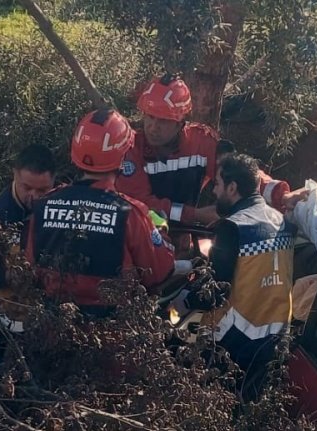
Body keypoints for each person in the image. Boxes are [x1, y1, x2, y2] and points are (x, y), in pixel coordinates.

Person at [22, 109, 175, 315]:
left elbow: (29, 272)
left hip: (51, 331)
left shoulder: (43, 206)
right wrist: (160, 230)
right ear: (123, 155)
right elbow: (158, 274)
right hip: (113, 335)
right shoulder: (130, 214)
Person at [116, 74, 295, 234]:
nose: (153, 127)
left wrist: (281, 195)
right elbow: (140, 203)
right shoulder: (131, 148)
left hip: (185, 243)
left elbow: (239, 173)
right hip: (144, 243)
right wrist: (196, 214)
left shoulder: (200, 142)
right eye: (150, 117)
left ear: (180, 123)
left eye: (163, 121)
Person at [196, 153, 295, 401]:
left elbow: (215, 292)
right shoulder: (282, 220)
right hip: (275, 337)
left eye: (217, 185)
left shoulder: (233, 227)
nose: (214, 192)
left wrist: (185, 299)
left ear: (232, 187)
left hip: (232, 338)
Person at [0, 144, 57, 291]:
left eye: (42, 190)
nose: (34, 196)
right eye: (27, 188)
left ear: (54, 180)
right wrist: (10, 277)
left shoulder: (63, 204)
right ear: (15, 175)